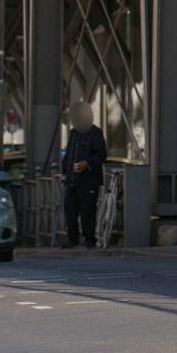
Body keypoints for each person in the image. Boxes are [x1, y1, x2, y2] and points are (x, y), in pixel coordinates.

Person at [61, 102, 107, 248]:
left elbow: (102, 154)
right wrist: (64, 173)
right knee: (69, 210)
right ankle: (72, 239)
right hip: (72, 180)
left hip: (88, 181)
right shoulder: (73, 133)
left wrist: (87, 163)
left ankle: (89, 239)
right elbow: (68, 155)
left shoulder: (95, 133)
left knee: (87, 211)